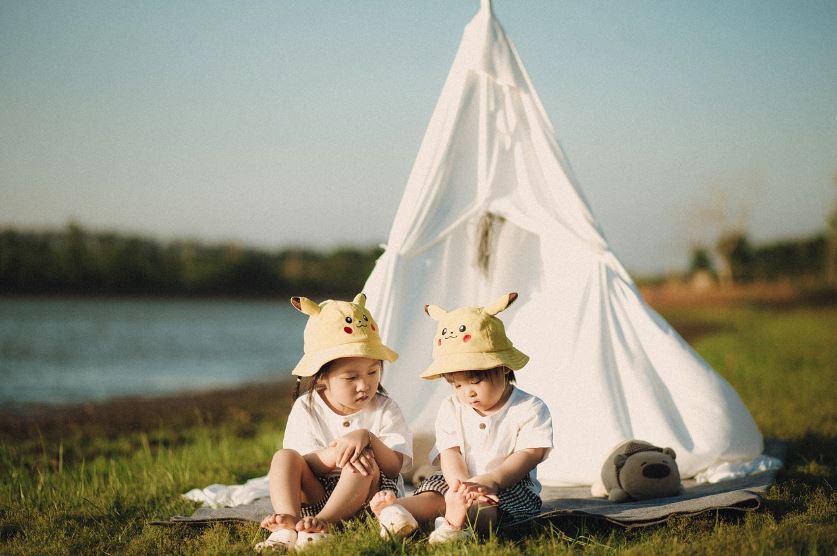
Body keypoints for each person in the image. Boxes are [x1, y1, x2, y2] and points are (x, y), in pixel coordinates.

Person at [370, 292, 553, 544]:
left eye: (475, 381)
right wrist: (461, 486)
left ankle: (454, 524)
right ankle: (398, 510)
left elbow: (529, 454)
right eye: (457, 385)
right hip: (457, 479)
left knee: (485, 510)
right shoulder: (452, 407)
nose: (467, 392)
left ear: (504, 367)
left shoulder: (529, 407)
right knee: (433, 496)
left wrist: (491, 481)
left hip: (507, 486)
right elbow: (450, 452)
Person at [255, 293, 412, 551]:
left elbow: (395, 467)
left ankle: (323, 522)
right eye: (351, 377)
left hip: (367, 496)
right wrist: (336, 453)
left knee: (361, 462)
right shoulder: (307, 407)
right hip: (317, 493)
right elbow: (303, 462)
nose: (365, 385)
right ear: (321, 378)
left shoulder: (385, 408)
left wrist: (368, 439)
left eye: (373, 372)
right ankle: (290, 522)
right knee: (283, 456)